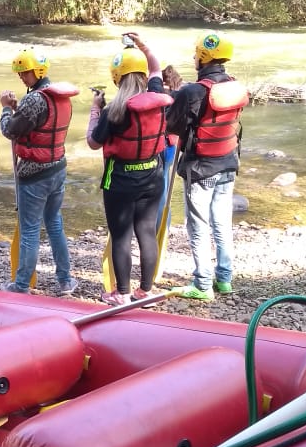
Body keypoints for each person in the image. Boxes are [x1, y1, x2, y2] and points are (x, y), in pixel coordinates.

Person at [87, 33, 171, 306]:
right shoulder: (157, 97)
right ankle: (145, 291)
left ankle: (122, 293)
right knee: (146, 231)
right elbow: (156, 68)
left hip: (120, 181)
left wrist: (95, 109)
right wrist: (143, 46)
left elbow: (93, 142)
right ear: (143, 76)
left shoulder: (113, 111)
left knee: (121, 235)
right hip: (153, 176)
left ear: (116, 77)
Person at [166, 32, 249, 301]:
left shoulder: (192, 92)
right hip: (228, 163)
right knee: (222, 222)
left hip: (201, 169)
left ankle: (202, 284)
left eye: (196, 54)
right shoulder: (234, 86)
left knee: (198, 226)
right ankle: (224, 279)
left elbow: (171, 125)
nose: (194, 57)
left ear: (203, 56)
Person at [0, 48, 78, 295]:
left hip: (35, 175)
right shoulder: (60, 97)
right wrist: (18, 108)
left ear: (39, 71)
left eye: (26, 72)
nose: (22, 76)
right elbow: (34, 121)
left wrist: (5, 109)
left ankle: (21, 284)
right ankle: (65, 280)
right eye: (20, 73)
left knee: (30, 229)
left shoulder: (34, 100)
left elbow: (10, 130)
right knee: (54, 223)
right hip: (58, 168)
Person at [156, 64, 184, 235]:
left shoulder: (160, 96)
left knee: (160, 191)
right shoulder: (179, 96)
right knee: (164, 187)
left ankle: (160, 229)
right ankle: (164, 227)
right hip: (171, 147)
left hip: (161, 147)